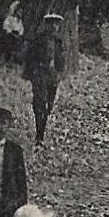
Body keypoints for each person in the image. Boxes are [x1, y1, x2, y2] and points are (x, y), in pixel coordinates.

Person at [24, 12, 65, 146]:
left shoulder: (59, 41)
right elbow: (30, 57)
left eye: (56, 24)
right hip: (40, 73)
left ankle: (42, 128)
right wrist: (32, 74)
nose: (53, 26)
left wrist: (59, 73)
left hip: (52, 75)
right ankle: (39, 135)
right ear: (46, 25)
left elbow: (61, 60)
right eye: (50, 23)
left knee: (49, 105)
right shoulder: (38, 39)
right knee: (40, 103)